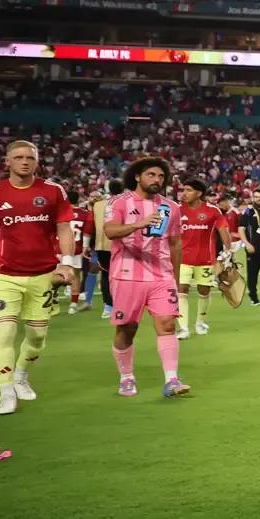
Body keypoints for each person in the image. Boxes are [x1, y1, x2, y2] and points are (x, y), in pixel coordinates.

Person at [0, 140, 76, 415]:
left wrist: (67, 263)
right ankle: (6, 391)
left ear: (37, 162)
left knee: (37, 336)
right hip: (2, 275)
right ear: (7, 161)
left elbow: (64, 228)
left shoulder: (53, 191)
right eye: (19, 157)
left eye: (30, 158)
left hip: (43, 275)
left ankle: (21, 374)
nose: (24, 162)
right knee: (5, 331)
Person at [104, 157, 190, 398]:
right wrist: (138, 224)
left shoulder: (170, 207)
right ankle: (126, 377)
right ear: (137, 177)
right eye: (151, 175)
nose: (157, 180)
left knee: (167, 324)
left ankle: (172, 380)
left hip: (161, 276)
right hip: (127, 274)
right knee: (127, 329)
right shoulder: (119, 202)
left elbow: (175, 243)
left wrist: (175, 277)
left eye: (161, 176)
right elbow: (110, 231)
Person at [176, 178, 232, 338]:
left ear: (199, 193)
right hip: (182, 260)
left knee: (204, 291)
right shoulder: (177, 210)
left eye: (188, 190)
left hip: (206, 260)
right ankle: (183, 328)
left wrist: (228, 251)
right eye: (183, 190)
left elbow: (223, 231)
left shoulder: (213, 211)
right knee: (181, 291)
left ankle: (200, 323)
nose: (184, 193)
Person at [64, 190, 95, 314]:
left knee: (54, 274)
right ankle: (73, 304)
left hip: (60, 247)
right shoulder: (85, 214)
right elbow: (87, 231)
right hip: (76, 247)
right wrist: (85, 247)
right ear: (78, 200)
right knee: (76, 276)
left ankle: (52, 301)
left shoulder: (59, 212)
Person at [92, 180, 119, 318]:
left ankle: (108, 307)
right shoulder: (125, 203)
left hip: (101, 245)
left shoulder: (98, 205)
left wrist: (88, 245)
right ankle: (120, 305)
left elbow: (92, 225)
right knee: (121, 275)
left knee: (105, 275)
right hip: (118, 244)